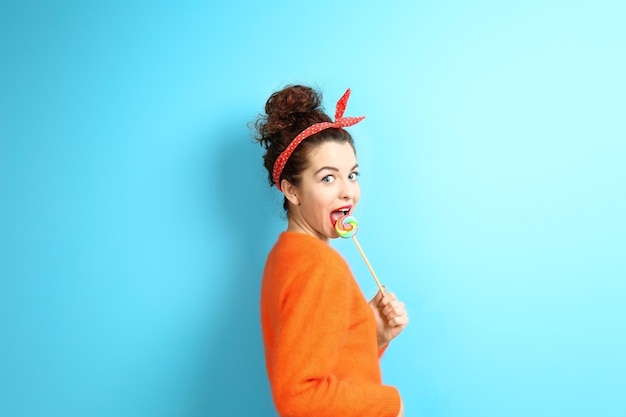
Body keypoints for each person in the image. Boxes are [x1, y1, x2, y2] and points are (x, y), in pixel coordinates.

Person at [254, 84, 409, 417]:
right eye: (327, 179)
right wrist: (390, 405)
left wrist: (373, 334)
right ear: (292, 190)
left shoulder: (285, 256)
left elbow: (326, 367)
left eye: (352, 175)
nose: (347, 192)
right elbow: (298, 396)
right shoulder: (319, 267)